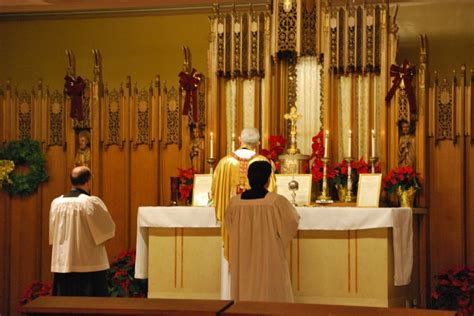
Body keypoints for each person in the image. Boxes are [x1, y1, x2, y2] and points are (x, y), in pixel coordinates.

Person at [211, 127, 276, 299]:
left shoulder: (225, 163)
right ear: (258, 143)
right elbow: (272, 194)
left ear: (239, 139)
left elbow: (215, 193)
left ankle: (229, 300)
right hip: (258, 225)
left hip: (232, 224)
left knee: (232, 257)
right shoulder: (263, 162)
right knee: (257, 261)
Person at [225, 161, 300, 302]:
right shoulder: (276, 202)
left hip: (243, 255)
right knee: (270, 290)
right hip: (269, 255)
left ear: (249, 178)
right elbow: (292, 222)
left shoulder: (235, 203)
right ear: (267, 179)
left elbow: (230, 227)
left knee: (245, 288)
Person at [49, 166, 115, 296]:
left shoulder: (56, 203)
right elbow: (108, 230)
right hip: (89, 265)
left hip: (63, 264)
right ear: (89, 181)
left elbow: (53, 236)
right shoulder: (90, 202)